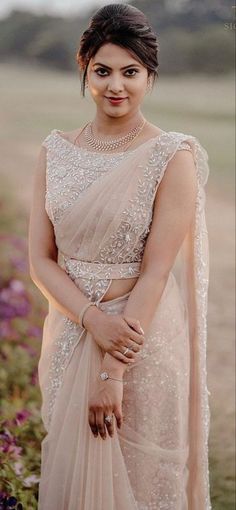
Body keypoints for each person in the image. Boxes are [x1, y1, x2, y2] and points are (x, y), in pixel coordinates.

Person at [28, 3, 212, 509]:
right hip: (68, 334)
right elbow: (41, 260)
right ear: (83, 68)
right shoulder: (55, 150)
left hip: (140, 342)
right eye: (102, 70)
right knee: (73, 471)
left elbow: (156, 271)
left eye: (130, 72)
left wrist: (114, 369)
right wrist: (90, 318)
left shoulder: (171, 156)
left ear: (149, 77)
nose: (116, 85)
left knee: (139, 475)